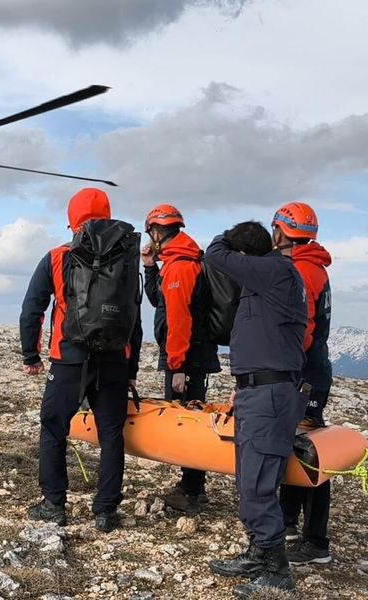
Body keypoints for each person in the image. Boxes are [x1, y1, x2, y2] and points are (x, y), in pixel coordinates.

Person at [19, 187, 142, 533]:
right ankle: (105, 512)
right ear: (107, 213)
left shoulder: (58, 256)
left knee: (54, 429)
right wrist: (131, 369)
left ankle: (54, 504)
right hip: (115, 360)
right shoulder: (127, 258)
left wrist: (31, 354)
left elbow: (32, 309)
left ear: (72, 218)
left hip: (69, 359)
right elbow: (134, 318)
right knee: (112, 435)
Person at [203, 221, 308, 597]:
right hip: (256, 391)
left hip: (270, 395)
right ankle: (258, 551)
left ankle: (278, 573)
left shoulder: (274, 270)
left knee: (258, 482)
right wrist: (243, 386)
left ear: (246, 256)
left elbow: (214, 254)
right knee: (250, 478)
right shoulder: (268, 277)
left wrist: (223, 237)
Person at [140, 204, 221, 513]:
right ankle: (190, 485)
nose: (150, 238)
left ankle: (192, 491)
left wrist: (176, 366)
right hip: (190, 356)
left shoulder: (181, 267)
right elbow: (159, 301)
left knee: (187, 420)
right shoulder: (175, 263)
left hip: (187, 358)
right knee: (189, 415)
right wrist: (149, 267)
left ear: (158, 232)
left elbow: (178, 321)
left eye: (151, 232)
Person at [271, 202, 334, 566]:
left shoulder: (303, 273)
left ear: (281, 231)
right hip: (310, 372)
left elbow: (302, 332)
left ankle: (316, 541)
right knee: (294, 444)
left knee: (309, 451)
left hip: (304, 375)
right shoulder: (311, 267)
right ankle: (288, 522)